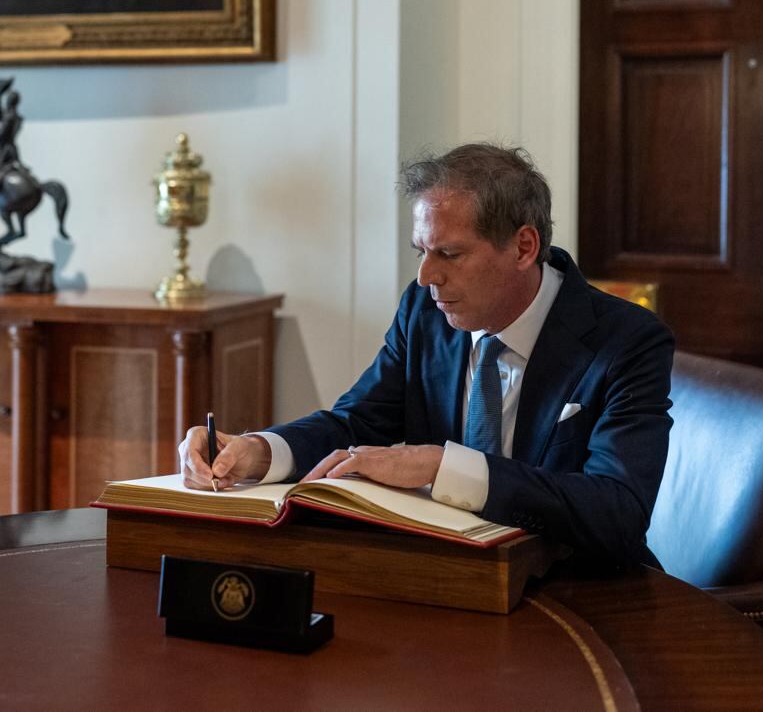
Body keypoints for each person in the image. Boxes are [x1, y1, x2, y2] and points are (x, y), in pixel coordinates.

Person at [178, 144, 675, 569]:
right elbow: (357, 422)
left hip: (578, 595)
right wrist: (259, 451)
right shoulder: (425, 311)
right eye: (421, 250)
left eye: (449, 255)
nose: (425, 277)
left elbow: (617, 513)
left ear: (524, 247)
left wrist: (444, 467)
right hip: (441, 578)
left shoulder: (626, 340)